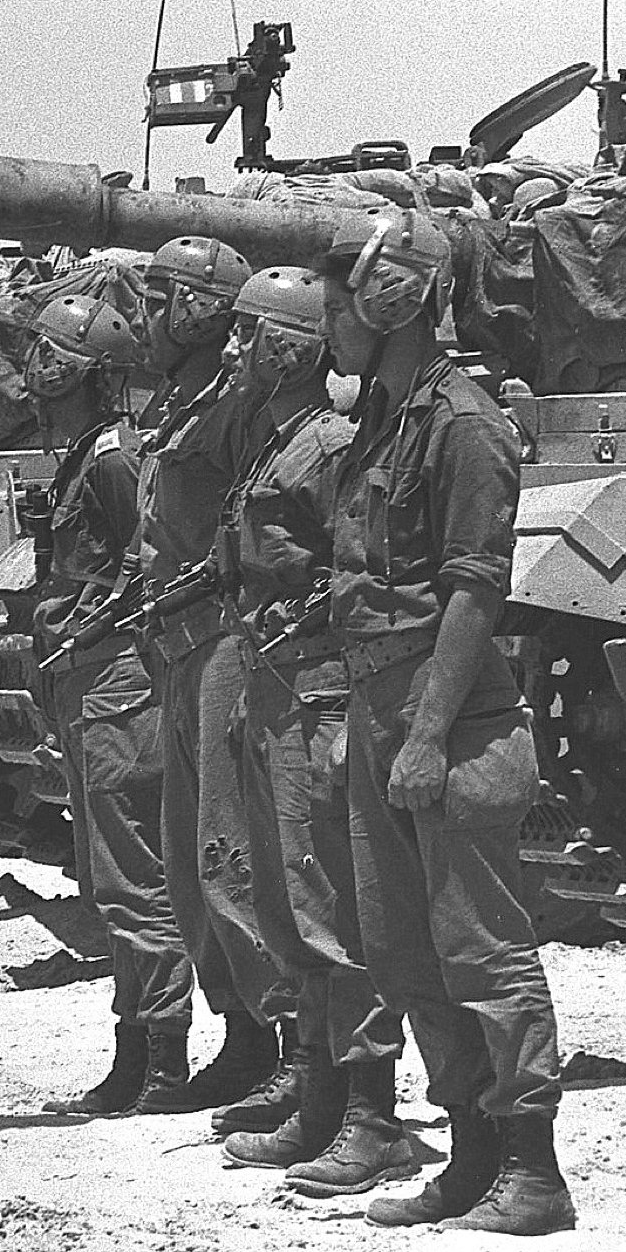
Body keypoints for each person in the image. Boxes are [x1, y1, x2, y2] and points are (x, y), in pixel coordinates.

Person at [320, 209, 572, 1235]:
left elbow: (475, 590)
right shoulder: (384, 416)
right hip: (388, 712)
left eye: (340, 305)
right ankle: (471, 1157)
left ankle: (533, 1172)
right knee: (404, 952)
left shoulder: (463, 424)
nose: (328, 324)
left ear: (394, 298)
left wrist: (424, 734)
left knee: (483, 951)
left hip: (453, 722)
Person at [210, 268, 412, 1191]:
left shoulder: (328, 444)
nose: (230, 351)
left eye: (247, 335)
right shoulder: (277, 440)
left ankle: (372, 1115)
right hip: (274, 687)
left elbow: (363, 566)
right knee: (291, 906)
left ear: (286, 348)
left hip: (321, 692)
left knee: (333, 905)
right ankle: (323, 1099)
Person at [134, 236, 300, 1129]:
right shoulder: (181, 405)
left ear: (197, 308)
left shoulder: (242, 405)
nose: (145, 317)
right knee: (192, 859)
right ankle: (239, 1026)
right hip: (177, 641)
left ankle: (285, 1039)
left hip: (226, 638)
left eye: (160, 299)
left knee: (234, 852)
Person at [22, 295, 195, 1115]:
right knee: (107, 878)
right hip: (86, 677)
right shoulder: (86, 455)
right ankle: (135, 1049)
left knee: (135, 880)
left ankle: (162, 1059)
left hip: (118, 681)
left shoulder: (113, 459)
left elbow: (146, 561)